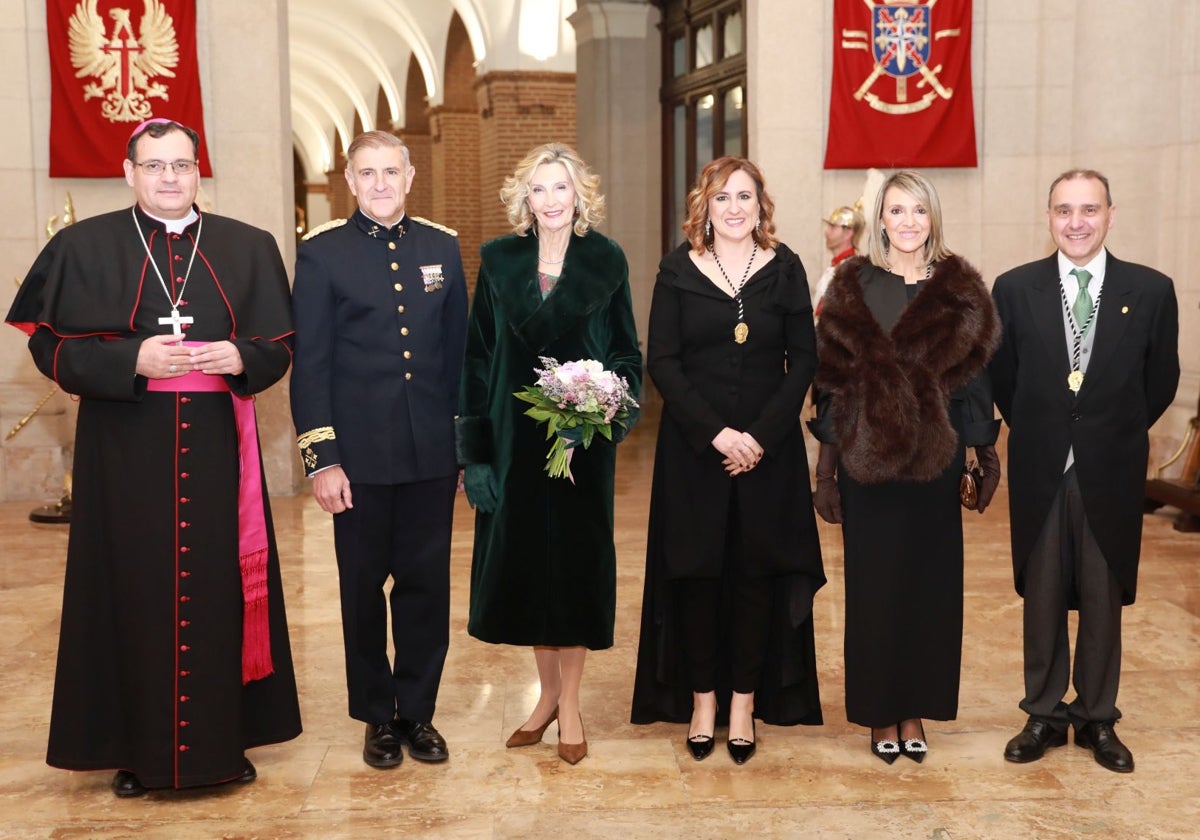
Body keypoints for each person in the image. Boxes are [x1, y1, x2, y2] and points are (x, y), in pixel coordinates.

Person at [5, 118, 301, 796]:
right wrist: (129, 357)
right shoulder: (83, 246)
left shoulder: (248, 246)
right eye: (155, 165)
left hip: (220, 444)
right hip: (124, 448)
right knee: (130, 590)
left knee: (223, 590)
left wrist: (242, 357)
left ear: (201, 170)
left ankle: (227, 742)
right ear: (128, 171)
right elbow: (48, 348)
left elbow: (281, 347)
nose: (170, 177)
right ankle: (134, 750)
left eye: (182, 164)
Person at [630, 156, 826, 765]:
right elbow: (662, 361)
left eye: (745, 197)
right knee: (697, 579)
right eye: (722, 198)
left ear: (760, 205)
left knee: (753, 579)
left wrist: (760, 438)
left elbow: (805, 360)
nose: (734, 208)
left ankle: (743, 703)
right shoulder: (676, 270)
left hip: (769, 457)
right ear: (704, 207)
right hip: (695, 453)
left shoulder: (785, 268)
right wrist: (718, 434)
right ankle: (703, 702)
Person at [457, 142, 642, 766]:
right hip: (513, 442)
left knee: (573, 573)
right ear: (525, 199)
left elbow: (626, 354)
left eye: (562, 187)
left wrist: (606, 403)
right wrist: (475, 455)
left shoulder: (606, 260)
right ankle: (544, 698)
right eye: (540, 189)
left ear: (578, 195)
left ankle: (570, 706)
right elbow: (478, 359)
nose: (552, 199)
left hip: (581, 444)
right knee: (528, 574)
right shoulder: (500, 260)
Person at [990, 170, 1179, 774]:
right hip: (1042, 463)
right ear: (1048, 217)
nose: (1077, 222)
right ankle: (1043, 712)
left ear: (1110, 215)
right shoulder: (1014, 289)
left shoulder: (1150, 290)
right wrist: (1049, 427)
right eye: (1064, 210)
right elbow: (1002, 376)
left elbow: (1161, 381)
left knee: (1103, 593)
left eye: (1089, 210)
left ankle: (1098, 717)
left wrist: (1109, 430)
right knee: (1041, 591)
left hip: (1111, 467)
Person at [810, 169, 1000, 765]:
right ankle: (878, 711)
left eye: (919, 210)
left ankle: (914, 707)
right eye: (897, 210)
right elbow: (832, 384)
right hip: (868, 463)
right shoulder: (853, 284)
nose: (909, 221)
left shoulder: (960, 288)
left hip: (935, 465)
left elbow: (973, 382)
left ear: (933, 217)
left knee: (930, 589)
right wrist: (825, 470)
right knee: (873, 589)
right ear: (881, 220)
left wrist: (984, 451)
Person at [289, 130, 467, 769]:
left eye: (391, 171)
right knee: (362, 589)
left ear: (411, 175)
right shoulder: (323, 256)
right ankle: (376, 717)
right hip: (356, 462)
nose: (381, 183)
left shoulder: (441, 247)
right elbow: (310, 366)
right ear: (349, 178)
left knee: (425, 588)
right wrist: (322, 458)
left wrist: (460, 449)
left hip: (428, 458)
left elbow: (458, 358)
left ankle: (418, 713)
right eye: (368, 173)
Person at [810, 204, 864, 317]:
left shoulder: (853, 271)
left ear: (848, 233)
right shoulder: (835, 266)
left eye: (833, 227)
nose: (827, 232)